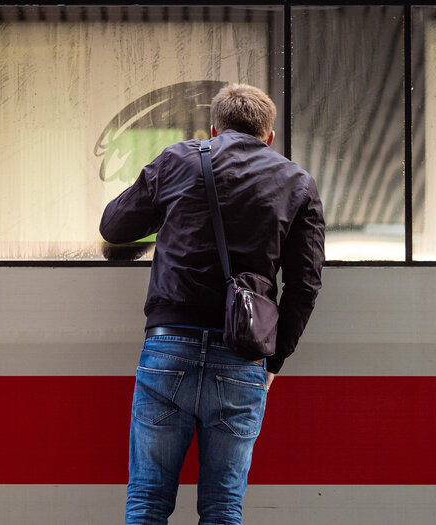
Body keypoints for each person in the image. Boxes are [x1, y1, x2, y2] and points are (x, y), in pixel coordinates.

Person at [100, 83, 324, 525]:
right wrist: (273, 363)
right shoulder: (297, 183)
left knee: (146, 503)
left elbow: (115, 225)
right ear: (270, 136)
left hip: (168, 347)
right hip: (242, 357)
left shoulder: (179, 159)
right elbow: (305, 285)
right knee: (223, 508)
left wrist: (174, 208)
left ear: (213, 128)